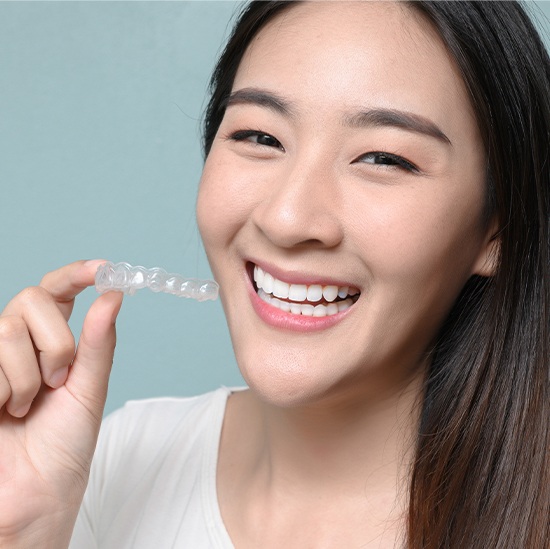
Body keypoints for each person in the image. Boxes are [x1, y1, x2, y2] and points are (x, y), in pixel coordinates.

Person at [0, 1, 548, 547]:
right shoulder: (115, 459)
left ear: (496, 231)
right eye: (260, 137)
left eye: (383, 158)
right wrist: (25, 531)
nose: (286, 219)